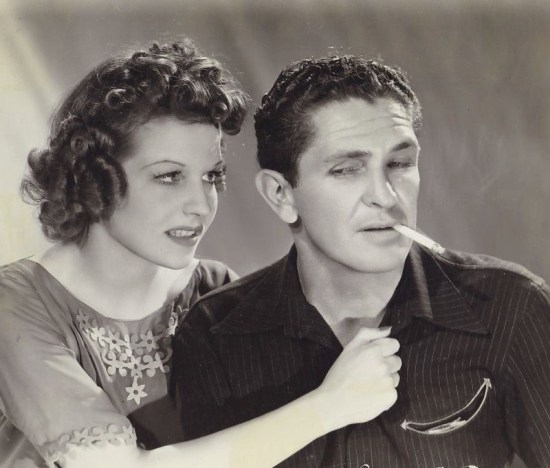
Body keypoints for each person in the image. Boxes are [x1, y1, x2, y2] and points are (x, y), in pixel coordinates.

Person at [0, 42, 402, 468]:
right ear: (94, 177)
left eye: (211, 176)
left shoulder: (214, 289)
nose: (200, 204)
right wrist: (330, 406)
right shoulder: (16, 304)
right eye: (169, 176)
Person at [172, 55, 550, 467]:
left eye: (400, 164)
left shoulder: (513, 307)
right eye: (347, 170)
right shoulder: (214, 336)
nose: (386, 196)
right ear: (281, 195)